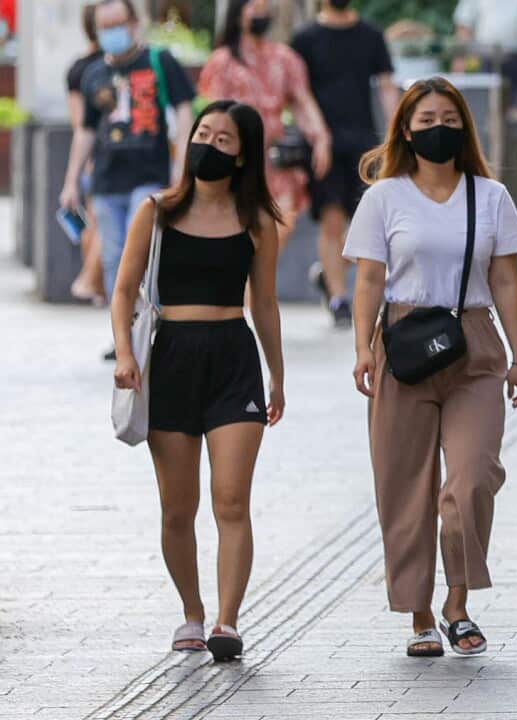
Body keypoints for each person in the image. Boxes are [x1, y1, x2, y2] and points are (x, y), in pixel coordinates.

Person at [345, 78, 517, 658]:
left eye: (449, 119)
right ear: (405, 129)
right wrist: (362, 348)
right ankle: (420, 613)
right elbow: (368, 279)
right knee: (403, 485)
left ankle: (457, 602)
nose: (438, 129)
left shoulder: (491, 196)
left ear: (465, 128)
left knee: (473, 477)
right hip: (403, 343)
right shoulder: (383, 198)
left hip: (473, 343)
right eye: (426, 120)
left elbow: (505, 278)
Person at [110, 101, 285, 661]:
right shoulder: (157, 211)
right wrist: (125, 355)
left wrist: (277, 376)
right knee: (177, 507)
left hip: (234, 356)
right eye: (203, 133)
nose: (208, 145)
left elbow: (266, 303)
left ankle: (227, 622)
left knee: (231, 499)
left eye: (223, 139)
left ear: (244, 155)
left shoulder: (257, 221)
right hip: (171, 360)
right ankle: (192, 611)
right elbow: (124, 290)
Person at [61, 0, 196, 360]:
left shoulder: (159, 61)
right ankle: (123, 336)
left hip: (151, 176)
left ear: (134, 23)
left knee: (144, 255)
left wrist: (182, 164)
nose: (112, 32)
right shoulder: (93, 74)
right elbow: (86, 131)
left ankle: (155, 327)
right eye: (104, 27)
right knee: (112, 258)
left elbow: (184, 111)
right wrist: (71, 180)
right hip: (106, 182)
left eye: (117, 23)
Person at [291, 0, 399, 328]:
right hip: (322, 144)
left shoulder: (371, 35)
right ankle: (339, 298)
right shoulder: (305, 39)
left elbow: (387, 87)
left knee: (370, 224)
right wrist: (314, 134)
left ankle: (329, 272)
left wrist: (398, 134)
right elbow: (298, 95)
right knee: (332, 220)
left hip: (365, 143)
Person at [199, 0, 332, 251]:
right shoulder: (223, 61)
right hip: (237, 160)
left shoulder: (284, 58)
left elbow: (303, 102)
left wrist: (321, 137)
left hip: (274, 159)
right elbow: (214, 114)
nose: (261, 15)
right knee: (239, 228)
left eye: (264, 10)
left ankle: (260, 272)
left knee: (283, 220)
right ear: (238, 15)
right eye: (254, 9)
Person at [65, 3, 106, 306]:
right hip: (99, 155)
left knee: (93, 220)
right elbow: (82, 123)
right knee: (99, 220)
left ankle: (95, 284)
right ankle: (92, 280)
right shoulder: (96, 68)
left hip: (91, 155)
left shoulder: (78, 68)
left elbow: (76, 122)